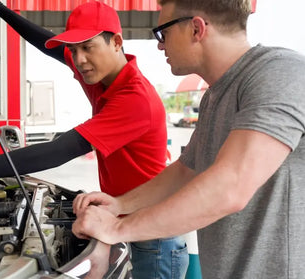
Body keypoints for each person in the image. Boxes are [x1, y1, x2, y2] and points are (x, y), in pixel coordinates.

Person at [0, 1, 188, 277]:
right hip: (124, 217)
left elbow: (61, 150)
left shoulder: (135, 99)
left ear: (117, 42)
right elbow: (47, 44)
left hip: (155, 237)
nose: (80, 60)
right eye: (74, 50)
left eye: (88, 47)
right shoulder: (100, 74)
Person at [71, 0, 305, 278]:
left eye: (163, 33)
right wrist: (121, 204)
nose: (160, 45)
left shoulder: (279, 72)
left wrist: (117, 228)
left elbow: (231, 187)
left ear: (196, 29)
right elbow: (186, 170)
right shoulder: (214, 96)